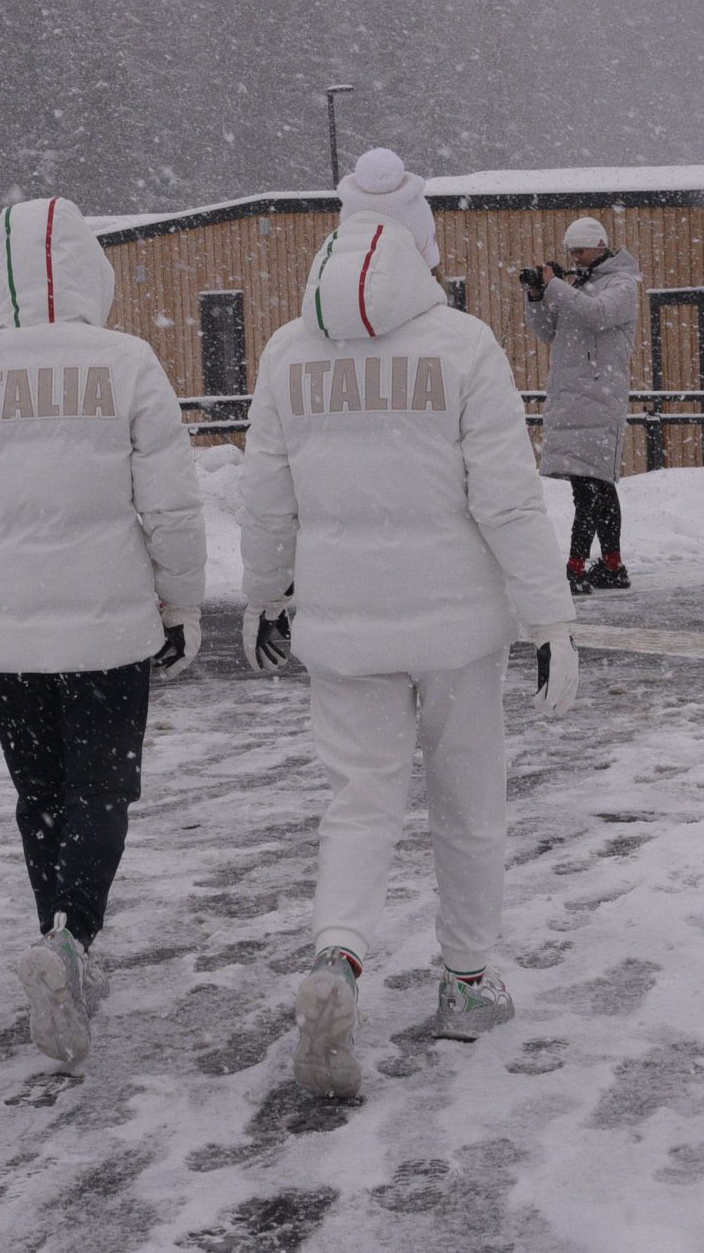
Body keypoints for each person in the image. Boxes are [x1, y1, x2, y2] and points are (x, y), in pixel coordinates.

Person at [241, 147, 579, 1099]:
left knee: (358, 801)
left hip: (344, 627)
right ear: (422, 246)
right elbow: (509, 501)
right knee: (467, 804)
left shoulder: (284, 353)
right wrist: (550, 620)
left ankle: (338, 959)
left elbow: (266, 499)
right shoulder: (464, 346)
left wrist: (267, 595)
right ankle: (466, 985)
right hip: (456, 628)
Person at [0, 196, 205, 1070]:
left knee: (39, 794)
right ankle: (73, 940)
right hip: (110, 627)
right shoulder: (129, 363)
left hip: (6, 635)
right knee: (101, 792)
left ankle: (56, 941)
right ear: (87, 268)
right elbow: (171, 508)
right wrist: (180, 607)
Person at [522, 216, 641, 594]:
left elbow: (598, 314)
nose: (575, 258)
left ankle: (574, 568)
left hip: (599, 395)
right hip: (573, 396)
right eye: (571, 252)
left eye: (581, 251)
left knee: (589, 487)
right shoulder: (578, 285)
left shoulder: (622, 284)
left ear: (601, 246)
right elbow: (546, 330)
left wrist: (555, 284)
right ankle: (611, 565)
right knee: (596, 486)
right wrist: (537, 295)